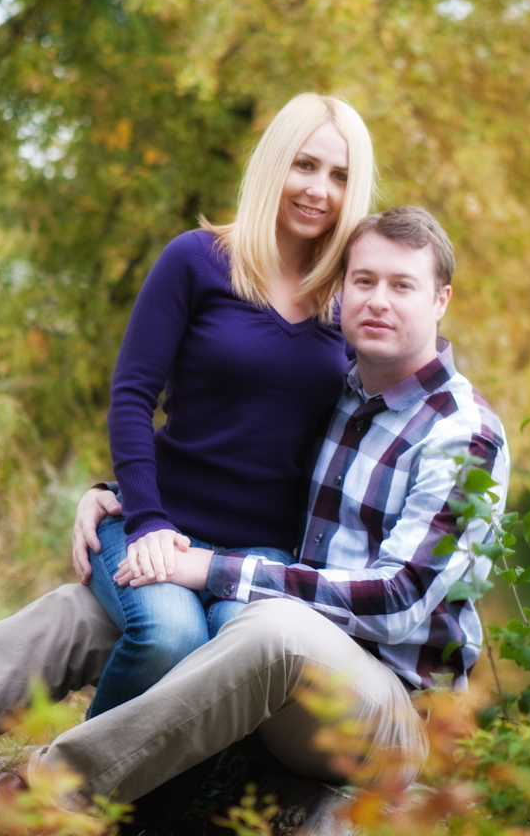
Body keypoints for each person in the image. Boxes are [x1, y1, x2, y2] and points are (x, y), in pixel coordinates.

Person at [0, 207, 508, 809]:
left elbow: (399, 597)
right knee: (85, 617)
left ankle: (40, 798)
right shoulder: (343, 393)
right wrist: (119, 494)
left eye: (402, 285)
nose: (378, 300)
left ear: (440, 300)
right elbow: (241, 460)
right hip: (285, 668)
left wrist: (212, 570)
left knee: (271, 629)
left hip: (388, 714)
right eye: (363, 281)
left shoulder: (463, 434)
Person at [82, 92, 375, 720]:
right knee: (171, 637)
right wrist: (142, 515)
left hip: (265, 554)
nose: (319, 189)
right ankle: (68, 781)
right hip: (162, 521)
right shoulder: (196, 259)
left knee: (242, 660)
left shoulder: (350, 301)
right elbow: (132, 395)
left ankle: (161, 795)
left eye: (339, 176)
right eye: (305, 165)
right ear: (274, 163)